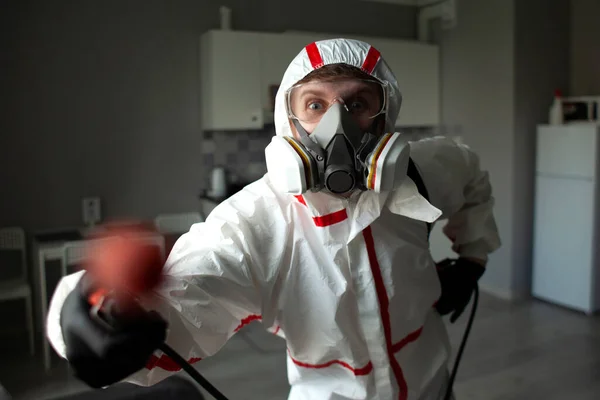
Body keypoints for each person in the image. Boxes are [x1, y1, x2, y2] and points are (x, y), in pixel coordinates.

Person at [46, 38, 501, 400]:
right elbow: (186, 292)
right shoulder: (257, 222)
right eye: (316, 105)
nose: (336, 124)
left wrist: (473, 259)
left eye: (358, 103)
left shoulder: (424, 173)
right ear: (290, 117)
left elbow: (474, 182)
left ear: (386, 116)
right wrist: (93, 314)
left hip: (433, 386)